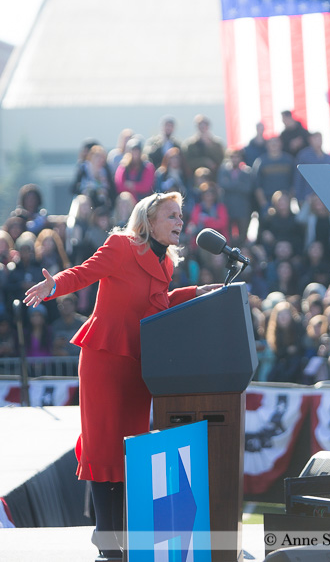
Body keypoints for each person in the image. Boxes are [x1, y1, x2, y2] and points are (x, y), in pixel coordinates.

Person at [24, 192, 221, 560]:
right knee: (103, 446)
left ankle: (122, 535)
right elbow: (83, 273)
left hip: (136, 366)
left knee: (128, 451)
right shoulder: (121, 245)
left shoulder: (166, 264)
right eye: (172, 215)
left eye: (180, 215)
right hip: (103, 359)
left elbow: (159, 304)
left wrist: (196, 292)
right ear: (149, 221)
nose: (180, 222)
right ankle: (106, 536)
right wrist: (54, 286)